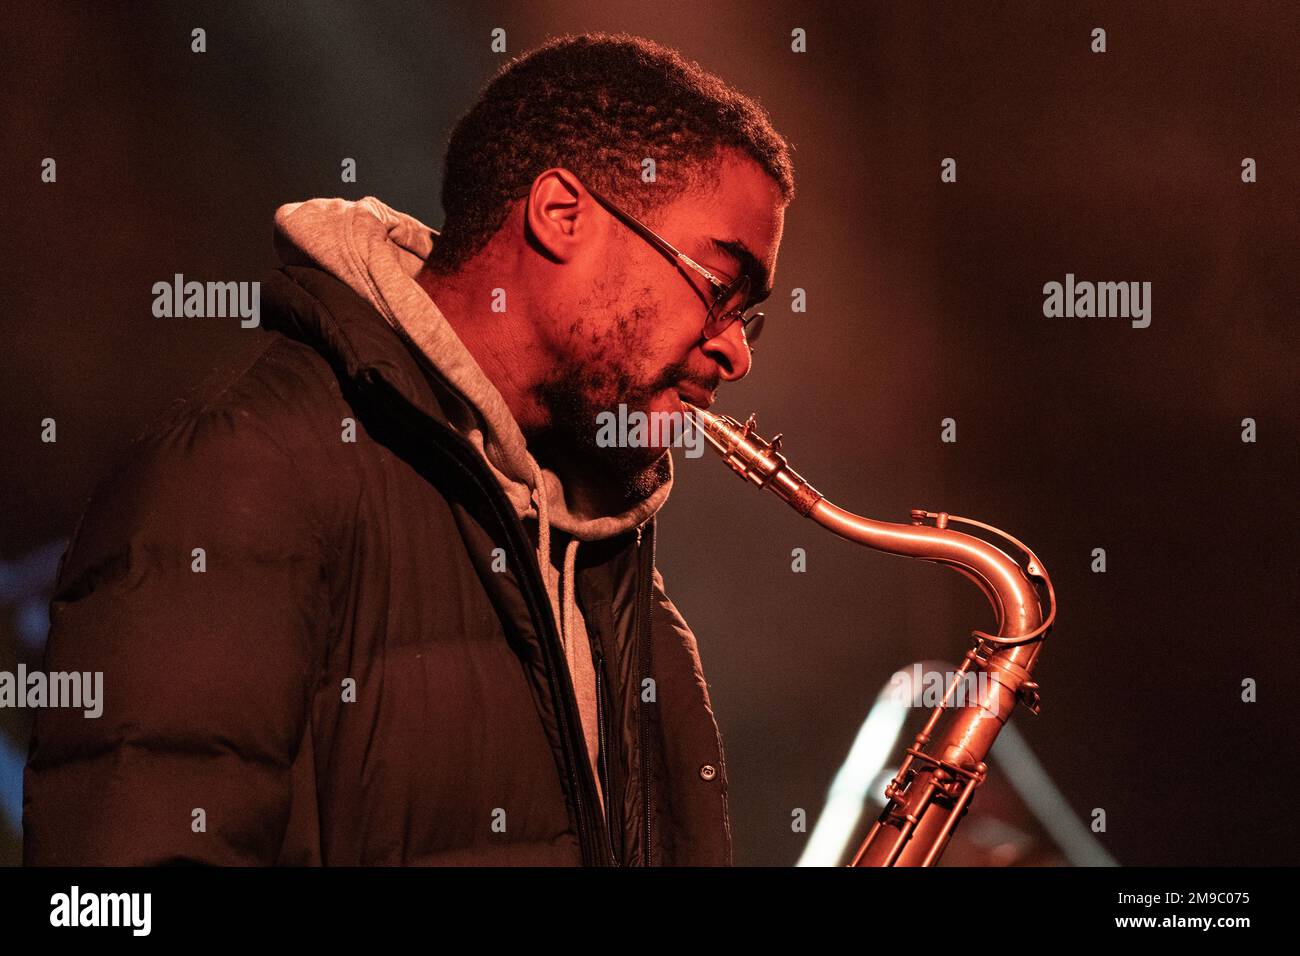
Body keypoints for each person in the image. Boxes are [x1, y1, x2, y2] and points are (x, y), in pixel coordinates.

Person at [23, 32, 793, 866]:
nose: (737, 353)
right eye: (720, 287)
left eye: (747, 316)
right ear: (561, 214)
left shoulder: (605, 554)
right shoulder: (240, 471)